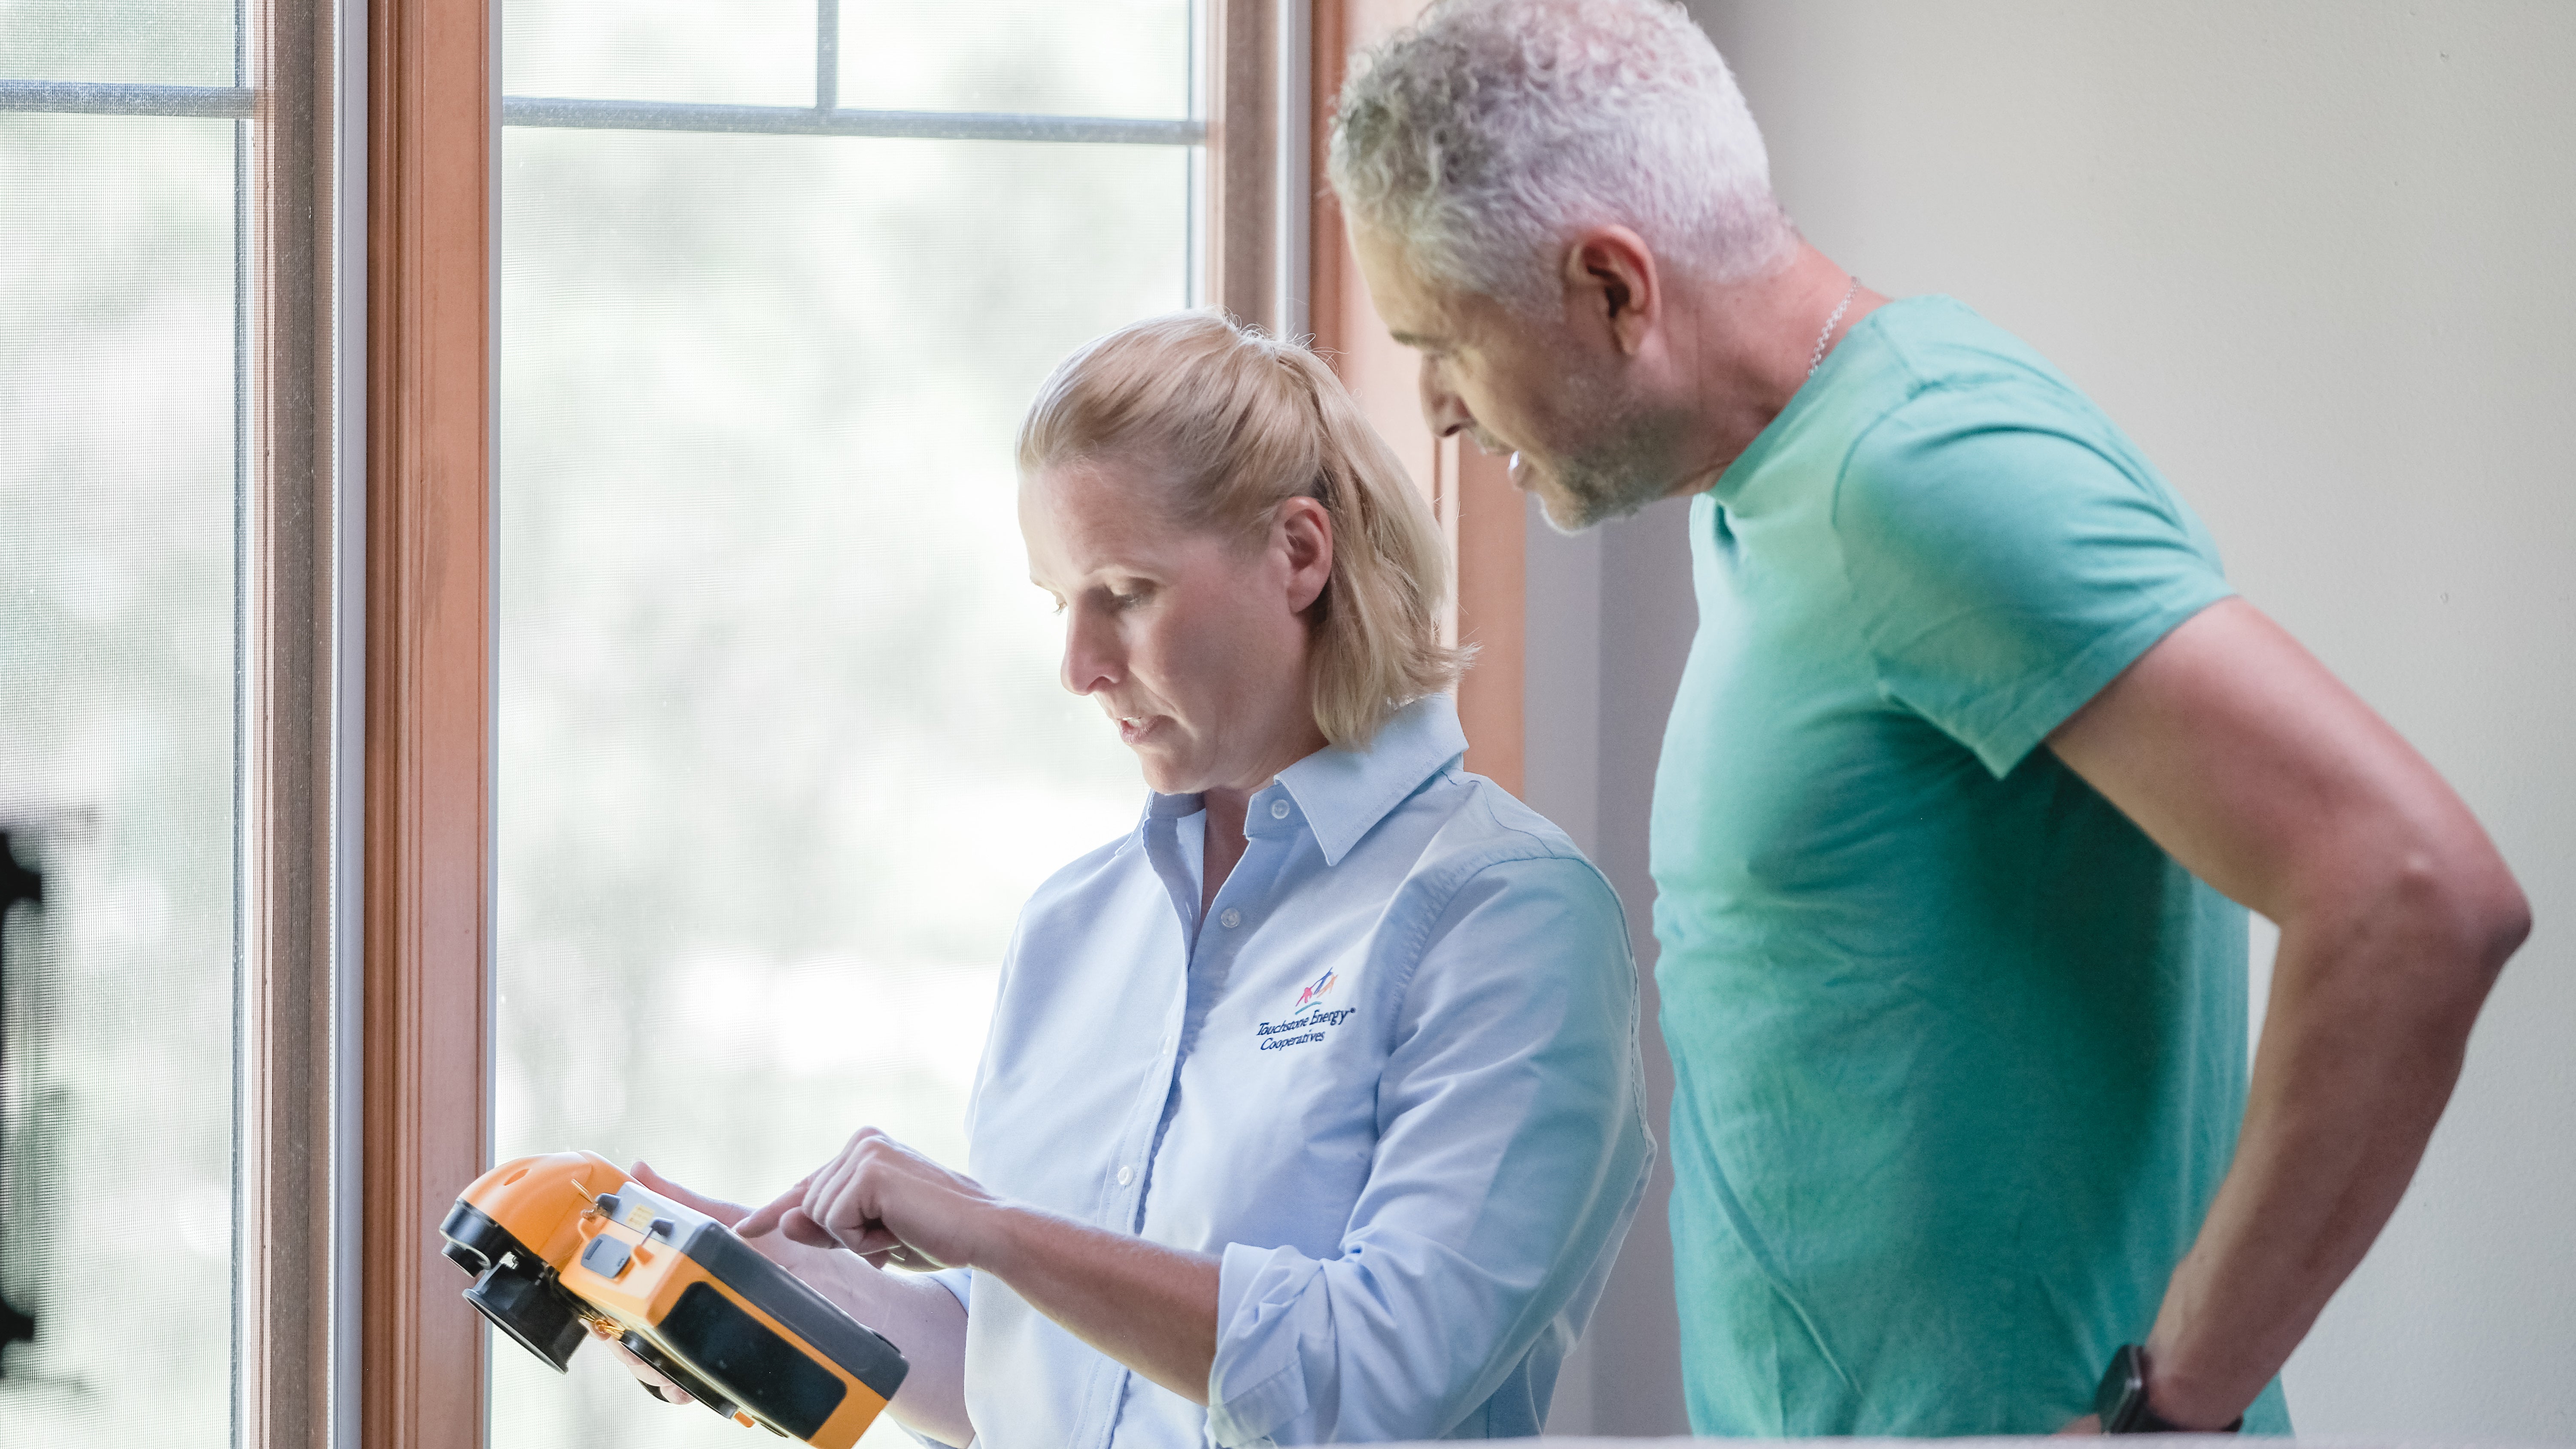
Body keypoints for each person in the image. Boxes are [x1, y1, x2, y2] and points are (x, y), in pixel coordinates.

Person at [1329, 0, 2530, 1438]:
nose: (1434, 411)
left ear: (1612, 288)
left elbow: (2415, 894)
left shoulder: (1920, 476)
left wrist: (2174, 1413)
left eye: (1441, 345)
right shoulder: (1777, 485)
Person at [616, 311, 1653, 1448]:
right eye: (1063, 602)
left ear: (1301, 554)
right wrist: (766, 1288)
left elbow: (1377, 1379)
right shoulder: (1078, 923)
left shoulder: (1504, 913)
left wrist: (994, 1231)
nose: (1079, 666)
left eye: (1126, 590)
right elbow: (1024, 1373)